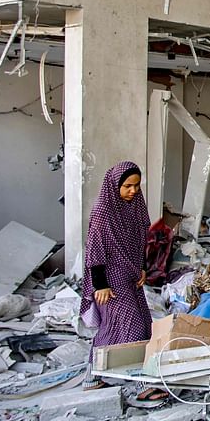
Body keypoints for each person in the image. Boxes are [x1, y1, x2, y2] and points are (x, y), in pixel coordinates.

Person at [80, 161, 167, 400]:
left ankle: (92, 377)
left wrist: (141, 269)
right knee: (134, 328)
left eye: (137, 186)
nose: (133, 191)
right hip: (109, 279)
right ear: (114, 185)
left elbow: (139, 241)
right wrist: (100, 285)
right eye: (128, 186)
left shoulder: (135, 208)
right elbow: (95, 250)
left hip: (130, 275)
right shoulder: (103, 212)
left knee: (124, 326)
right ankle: (141, 385)